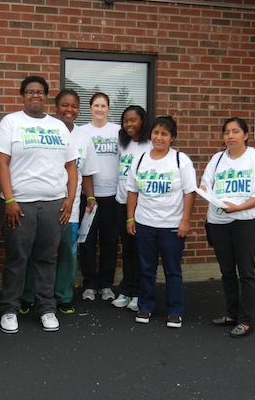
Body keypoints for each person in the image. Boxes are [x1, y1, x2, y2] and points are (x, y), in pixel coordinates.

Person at [0, 76, 78, 334]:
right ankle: (9, 309)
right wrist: (9, 199)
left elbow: (71, 166)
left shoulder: (59, 127)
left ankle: (46, 308)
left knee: (46, 258)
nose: (35, 96)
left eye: (40, 92)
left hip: (54, 204)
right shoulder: (11, 122)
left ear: (46, 96)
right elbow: (0, 163)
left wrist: (70, 199)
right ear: (23, 96)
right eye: (30, 92)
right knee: (18, 258)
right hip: (20, 205)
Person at [19, 89, 99, 315]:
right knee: (36, 251)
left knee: (67, 251)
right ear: (55, 107)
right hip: (44, 202)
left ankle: (63, 296)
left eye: (74, 106)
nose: (69, 110)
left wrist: (90, 196)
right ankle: (28, 295)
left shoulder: (83, 137)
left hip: (70, 207)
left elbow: (88, 171)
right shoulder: (46, 129)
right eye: (65, 105)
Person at [200, 117, 255, 338]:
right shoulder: (216, 159)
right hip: (218, 222)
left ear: (246, 135)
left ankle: (245, 320)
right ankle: (231, 314)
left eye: (235, 132)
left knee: (246, 271)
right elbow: (206, 185)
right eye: (226, 132)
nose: (230, 136)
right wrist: (208, 193)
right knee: (227, 271)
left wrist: (239, 207)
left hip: (245, 221)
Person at [126, 116, 197, 329]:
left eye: (164, 134)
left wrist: (185, 221)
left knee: (172, 270)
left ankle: (175, 310)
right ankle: (146, 306)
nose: (159, 137)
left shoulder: (180, 160)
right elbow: (132, 191)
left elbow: (190, 192)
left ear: (172, 138)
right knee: (146, 268)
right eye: (156, 133)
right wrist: (130, 217)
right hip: (145, 223)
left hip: (171, 226)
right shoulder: (140, 160)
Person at [79, 92, 121, 302]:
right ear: (90, 108)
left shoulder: (117, 131)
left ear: (109, 109)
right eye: (96, 105)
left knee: (109, 242)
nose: (99, 109)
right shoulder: (82, 131)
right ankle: (89, 285)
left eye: (103, 106)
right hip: (89, 196)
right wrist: (88, 195)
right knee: (86, 242)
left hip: (112, 195)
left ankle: (106, 285)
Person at [111, 106, 152, 312]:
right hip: (122, 202)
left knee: (140, 251)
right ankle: (126, 291)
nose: (129, 124)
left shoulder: (150, 144)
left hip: (141, 206)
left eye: (133, 120)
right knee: (127, 250)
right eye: (126, 120)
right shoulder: (123, 143)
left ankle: (139, 293)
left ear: (142, 121)